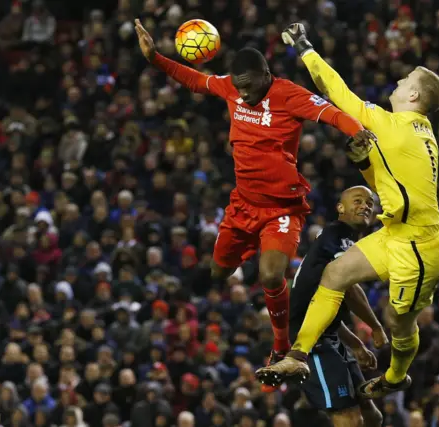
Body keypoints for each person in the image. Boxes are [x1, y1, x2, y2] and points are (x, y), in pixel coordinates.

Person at [134, 19, 373, 390]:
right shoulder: (232, 87)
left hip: (281, 208)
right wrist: (155, 59)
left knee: (270, 275)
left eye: (249, 88)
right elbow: (197, 81)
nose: (243, 97)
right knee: (218, 273)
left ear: (266, 73)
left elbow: (330, 112)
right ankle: (237, 270)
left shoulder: (287, 94)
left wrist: (357, 131)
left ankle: (280, 349)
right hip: (242, 206)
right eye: (239, 89)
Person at [257, 23, 439, 398]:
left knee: (398, 323)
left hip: (421, 250)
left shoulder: (394, 127)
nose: (398, 80)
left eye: (405, 78)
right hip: (398, 233)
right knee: (335, 273)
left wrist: (304, 47)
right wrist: (364, 164)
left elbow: (336, 92)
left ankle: (396, 376)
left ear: (413, 94)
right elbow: (387, 182)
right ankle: (298, 354)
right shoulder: (418, 132)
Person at [288, 186, 385, 427]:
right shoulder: (337, 235)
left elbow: (325, 310)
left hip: (330, 336)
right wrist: (375, 327)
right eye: (358, 201)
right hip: (312, 343)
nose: (365, 206)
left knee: (373, 416)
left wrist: (356, 344)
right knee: (349, 419)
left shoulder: (342, 242)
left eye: (370, 203)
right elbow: (350, 288)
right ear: (340, 208)